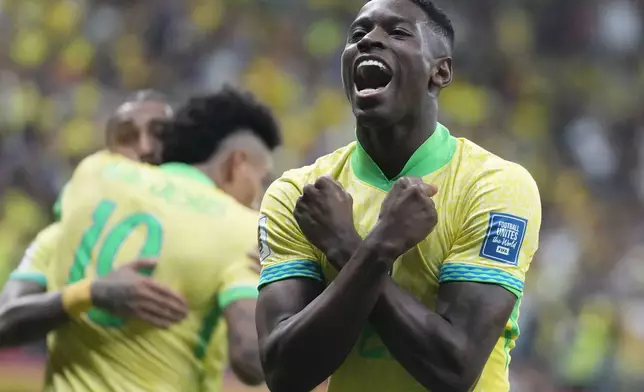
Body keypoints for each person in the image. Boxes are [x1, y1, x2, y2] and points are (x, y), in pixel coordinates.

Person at [255, 0, 541, 391]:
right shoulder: (299, 192)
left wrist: (350, 248)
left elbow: (453, 370)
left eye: (398, 32)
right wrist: (376, 250)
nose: (370, 40)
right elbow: (284, 374)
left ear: (440, 71)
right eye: (358, 34)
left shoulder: (493, 185)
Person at [1, 87, 281, 391]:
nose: (145, 148)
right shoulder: (238, 229)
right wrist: (89, 293)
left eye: (158, 134)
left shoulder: (88, 180)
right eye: (127, 137)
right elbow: (253, 360)